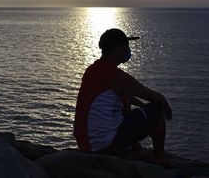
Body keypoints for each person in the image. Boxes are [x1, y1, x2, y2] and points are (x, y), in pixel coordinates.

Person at [74, 28, 172, 165]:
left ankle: (136, 150)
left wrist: (142, 107)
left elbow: (122, 95)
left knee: (124, 102)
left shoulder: (93, 70)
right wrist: (164, 108)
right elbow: (154, 97)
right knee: (155, 109)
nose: (128, 49)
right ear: (118, 48)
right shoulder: (115, 75)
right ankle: (159, 157)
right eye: (126, 46)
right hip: (103, 146)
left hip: (86, 143)